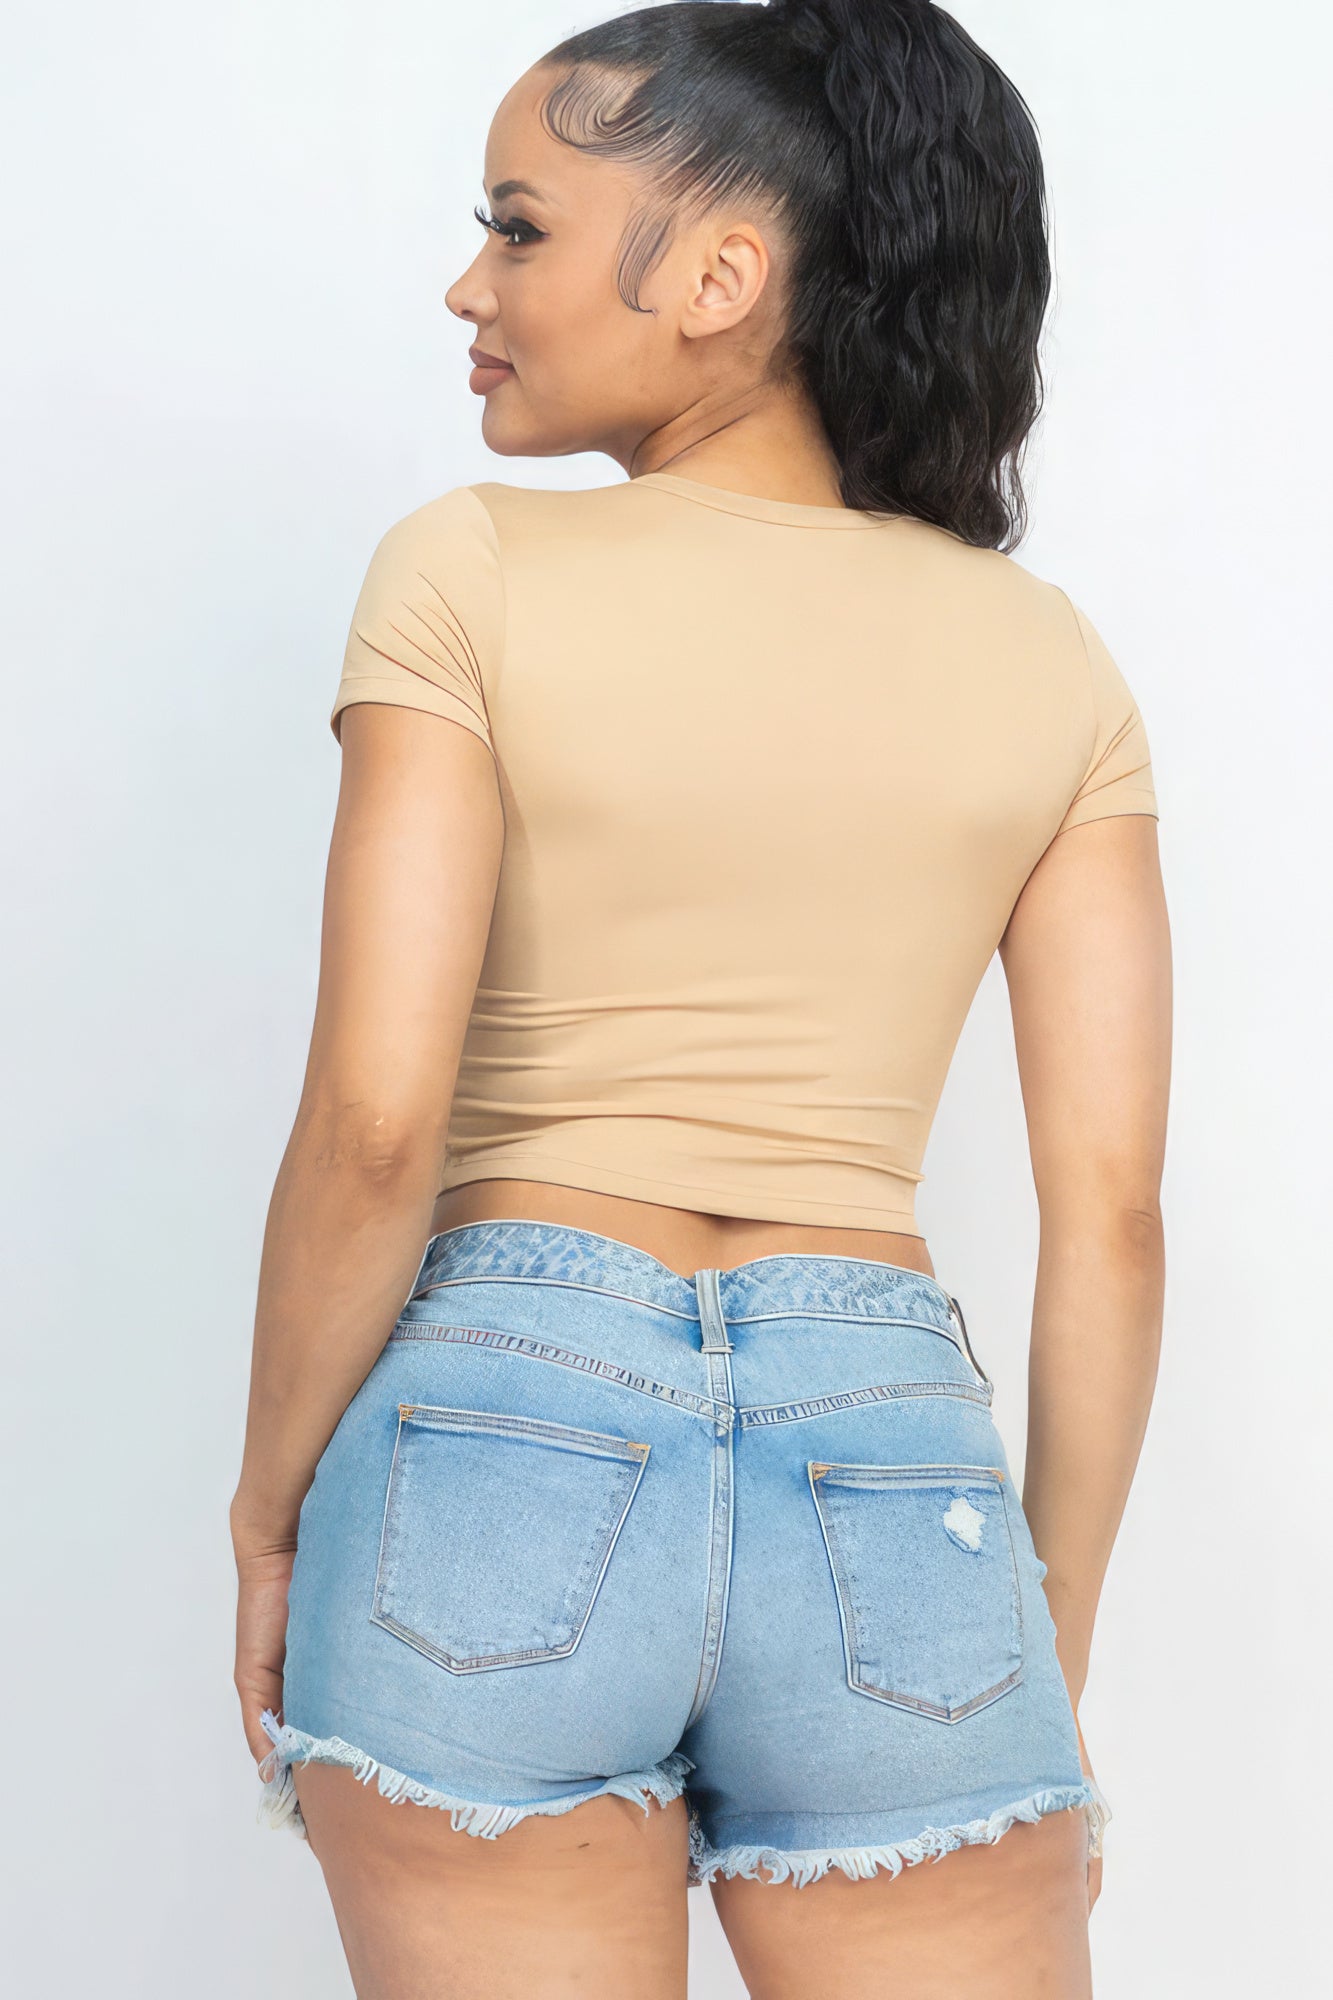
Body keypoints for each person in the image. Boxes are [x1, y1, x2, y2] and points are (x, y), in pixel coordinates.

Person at [229, 3, 1171, 1994]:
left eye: (519, 228)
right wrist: (1042, 1629)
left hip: (497, 1423)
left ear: (723, 276)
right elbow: (1109, 1218)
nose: (470, 285)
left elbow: (379, 1123)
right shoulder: (1049, 659)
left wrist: (266, 1513)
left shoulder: (467, 571)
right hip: (892, 1455)